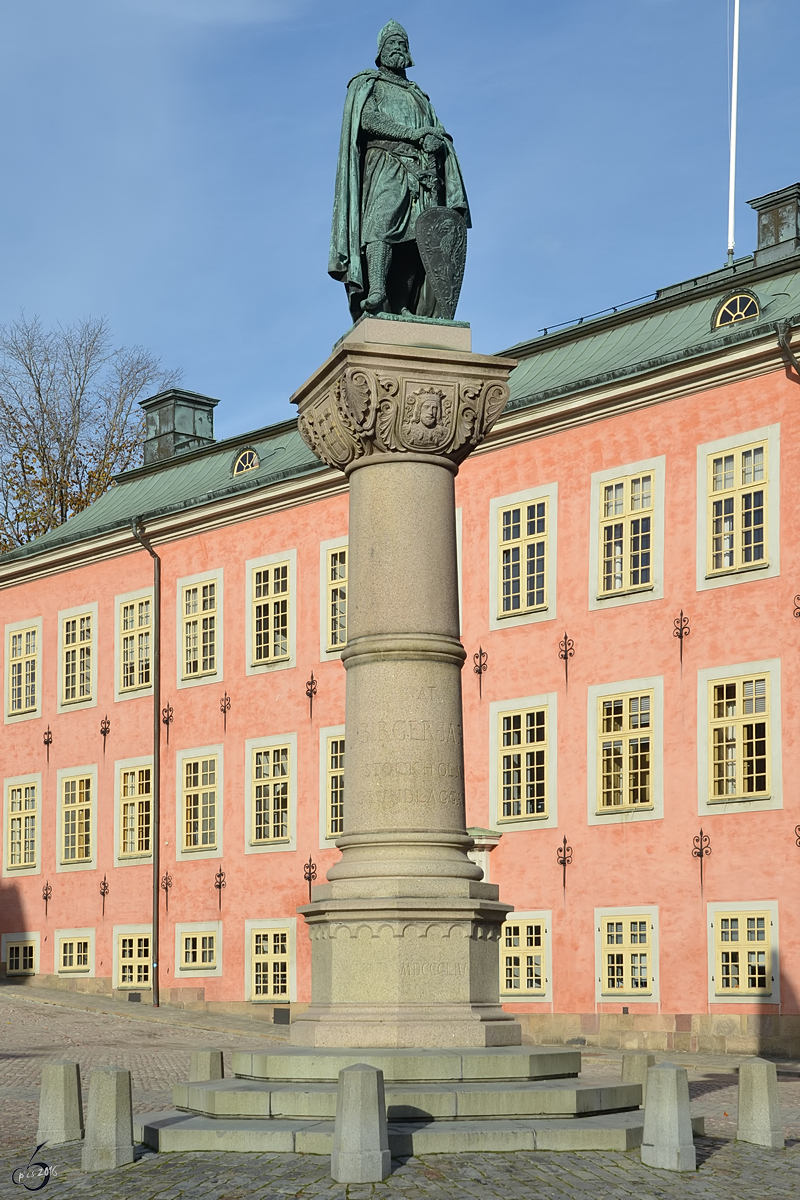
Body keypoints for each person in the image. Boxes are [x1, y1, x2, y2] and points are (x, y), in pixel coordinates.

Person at [329, 20, 471, 321]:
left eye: (402, 44)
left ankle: (401, 302)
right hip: (385, 163)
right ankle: (376, 289)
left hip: (422, 173)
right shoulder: (370, 84)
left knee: (414, 240)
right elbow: (367, 120)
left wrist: (437, 139)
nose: (398, 48)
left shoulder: (419, 95)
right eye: (391, 43)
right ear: (380, 52)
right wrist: (413, 135)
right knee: (380, 224)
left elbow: (438, 132)